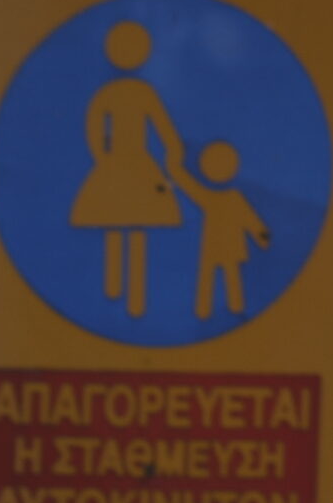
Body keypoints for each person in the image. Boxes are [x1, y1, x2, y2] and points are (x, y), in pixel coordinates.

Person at [69, 20, 182, 318]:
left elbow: (94, 130)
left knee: (121, 223)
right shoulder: (138, 91)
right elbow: (165, 131)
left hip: (119, 163)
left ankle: (118, 295)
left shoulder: (112, 93)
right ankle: (127, 299)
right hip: (131, 163)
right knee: (134, 226)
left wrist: (102, 158)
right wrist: (172, 153)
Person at [170, 142, 271, 319]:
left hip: (223, 243)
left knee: (226, 275)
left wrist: (260, 234)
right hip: (217, 243)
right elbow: (189, 186)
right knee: (214, 275)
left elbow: (249, 217)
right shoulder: (218, 197)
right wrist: (175, 169)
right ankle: (206, 310)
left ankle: (231, 308)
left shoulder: (228, 198)